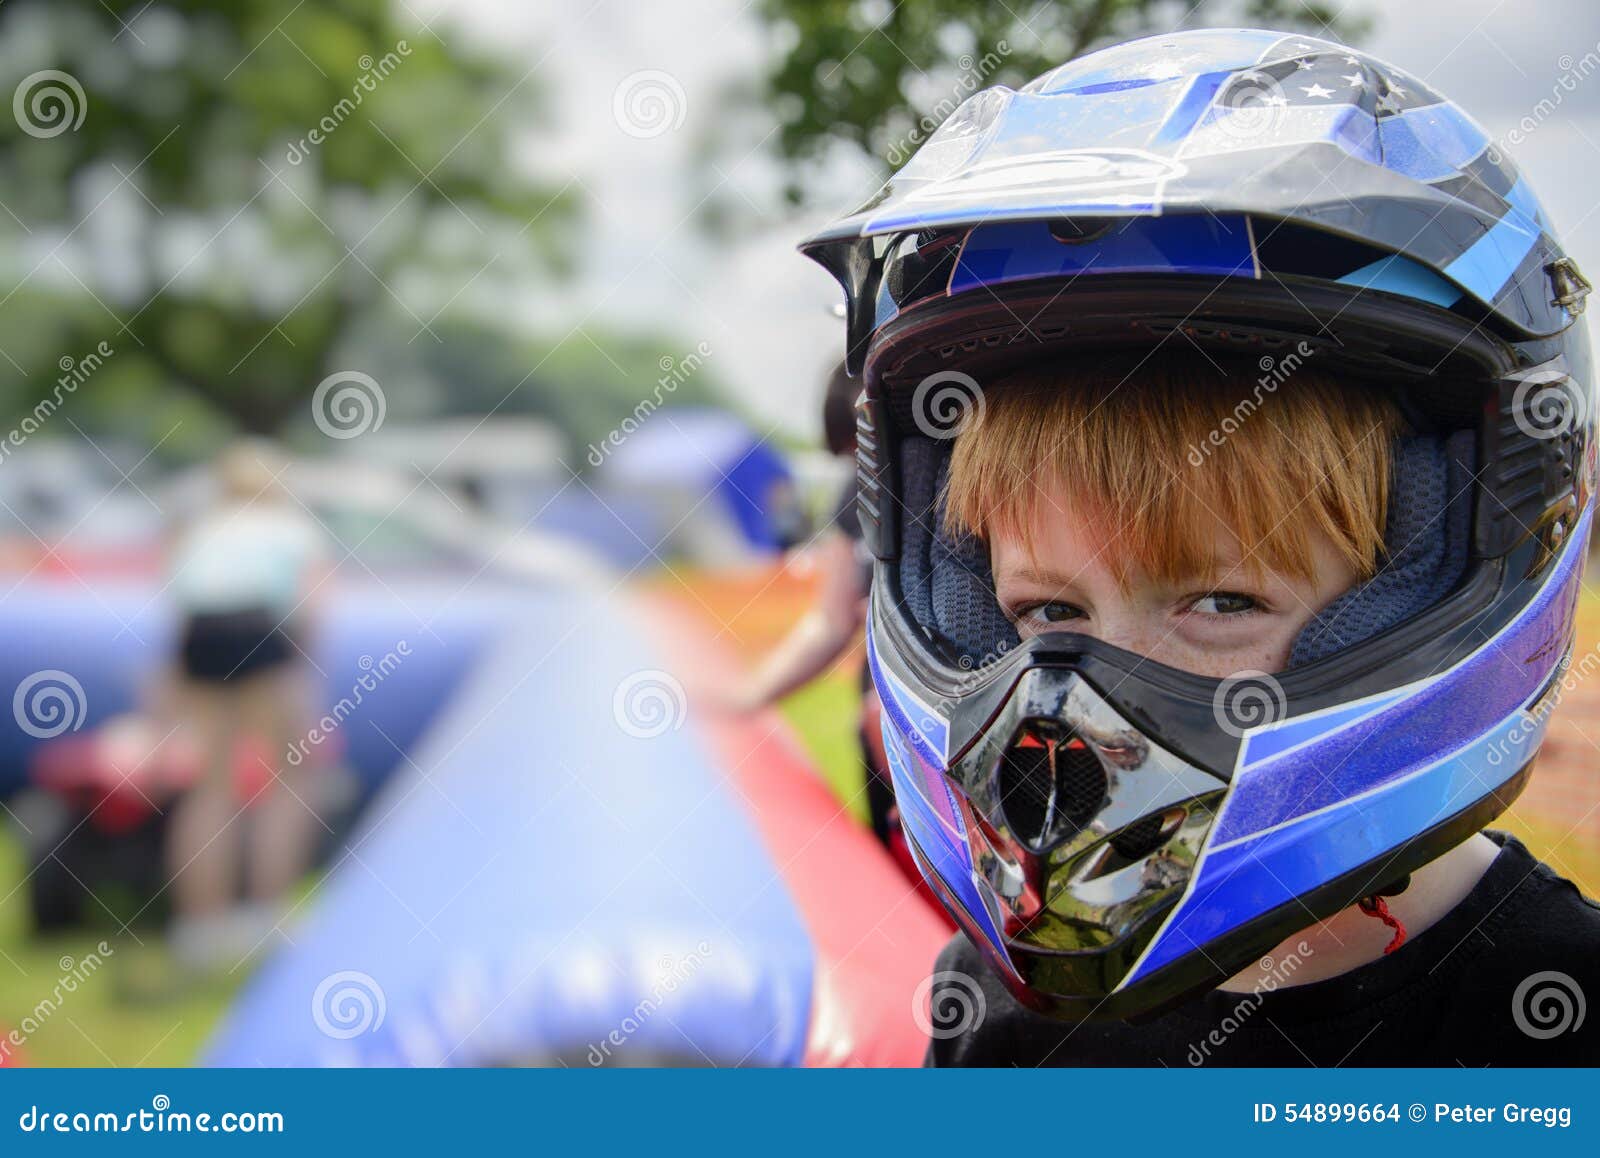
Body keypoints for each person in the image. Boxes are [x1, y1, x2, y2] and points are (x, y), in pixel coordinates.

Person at [799, 27, 1600, 1065]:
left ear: (1428, 584)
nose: (1089, 700)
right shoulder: (999, 1014)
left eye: (1219, 602)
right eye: (1049, 614)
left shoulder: (1547, 1006)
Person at [162, 438, 329, 971]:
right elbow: (311, 608)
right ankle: (269, 914)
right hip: (261, 627)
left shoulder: (204, 529)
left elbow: (182, 611)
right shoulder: (291, 527)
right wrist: (299, 678)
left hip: (201, 639)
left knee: (210, 785)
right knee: (290, 778)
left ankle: (200, 928)